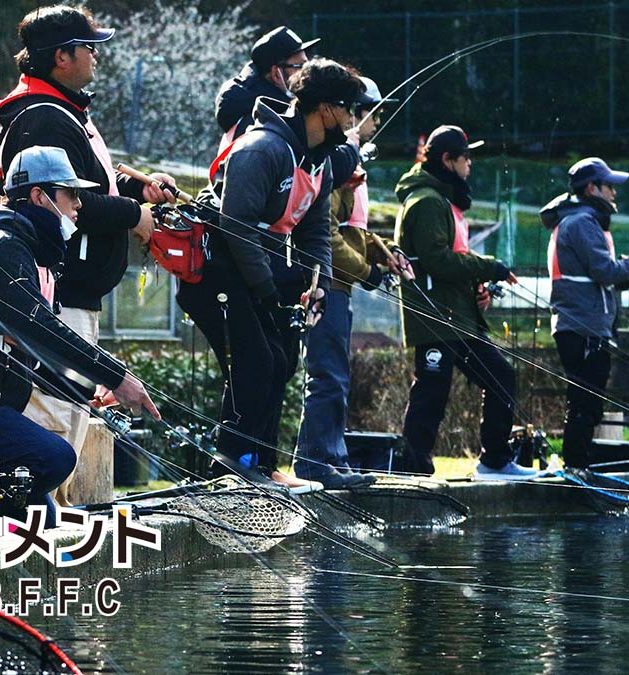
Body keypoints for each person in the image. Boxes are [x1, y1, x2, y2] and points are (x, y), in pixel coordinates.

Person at [0, 146, 159, 510]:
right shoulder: (2, 246)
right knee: (54, 457)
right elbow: (41, 329)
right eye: (70, 194)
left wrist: (88, 389)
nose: (78, 205)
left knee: (47, 515)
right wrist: (117, 376)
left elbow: (30, 355)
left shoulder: (18, 244)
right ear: (40, 196)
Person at [179, 59, 368, 491]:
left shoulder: (317, 160)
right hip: (219, 270)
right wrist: (268, 291)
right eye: (349, 109)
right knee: (256, 362)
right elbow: (236, 225)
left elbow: (315, 228)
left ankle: (261, 465)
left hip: (258, 272)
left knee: (281, 360)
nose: (352, 119)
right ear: (325, 109)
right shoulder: (262, 148)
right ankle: (232, 465)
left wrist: (314, 283)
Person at [0, 5, 175, 453]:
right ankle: (32, 523)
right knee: (51, 427)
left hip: (72, 298)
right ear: (62, 56)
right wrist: (134, 215)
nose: (97, 56)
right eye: (89, 47)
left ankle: (47, 521)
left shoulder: (62, 111)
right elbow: (62, 203)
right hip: (57, 297)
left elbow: (89, 182)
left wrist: (138, 188)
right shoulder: (43, 117)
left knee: (64, 426)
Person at [293, 76, 410, 489]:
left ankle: (332, 458)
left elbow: (353, 226)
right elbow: (327, 232)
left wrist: (384, 254)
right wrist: (369, 272)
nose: (376, 122)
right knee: (326, 374)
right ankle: (316, 462)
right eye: (372, 113)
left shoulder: (350, 162)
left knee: (335, 373)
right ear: (354, 114)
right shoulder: (337, 163)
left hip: (339, 284)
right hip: (327, 284)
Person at [395, 125, 530, 480]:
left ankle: (495, 461)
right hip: (434, 318)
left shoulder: (444, 200)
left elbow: (453, 259)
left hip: (459, 317)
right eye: (465, 157)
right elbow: (437, 261)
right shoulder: (425, 202)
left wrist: (477, 287)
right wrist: (490, 267)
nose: (470, 164)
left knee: (500, 375)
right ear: (447, 160)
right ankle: (414, 473)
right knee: (430, 395)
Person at [542, 157, 629, 469]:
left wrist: (628, 278)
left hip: (581, 327)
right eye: (609, 186)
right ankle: (576, 468)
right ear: (591, 188)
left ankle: (577, 465)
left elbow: (591, 278)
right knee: (586, 405)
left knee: (586, 404)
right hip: (584, 329)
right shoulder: (583, 222)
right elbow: (603, 270)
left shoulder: (575, 220)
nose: (614, 193)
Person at [214, 26, 320, 149]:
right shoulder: (259, 122)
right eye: (300, 66)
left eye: (307, 65)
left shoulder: (270, 111)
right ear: (276, 74)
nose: (306, 72)